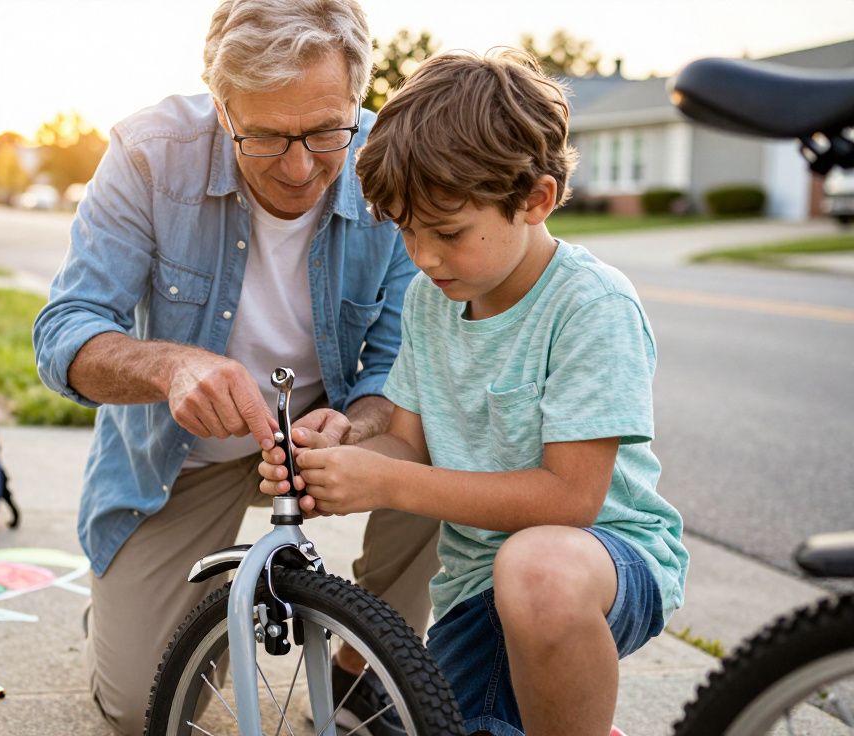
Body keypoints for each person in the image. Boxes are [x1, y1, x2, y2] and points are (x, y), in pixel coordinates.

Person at [32, 1, 442, 732]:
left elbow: (399, 363)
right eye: (265, 137)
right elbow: (64, 334)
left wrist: (360, 420)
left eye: (324, 132)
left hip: (330, 433)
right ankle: (151, 613)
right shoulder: (148, 152)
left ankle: (360, 676)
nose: (298, 166)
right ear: (223, 110)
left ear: (356, 96)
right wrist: (169, 368)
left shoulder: (392, 159)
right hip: (179, 457)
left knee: (443, 435)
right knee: (145, 708)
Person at [258, 49, 689, 735]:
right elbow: (407, 440)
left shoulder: (589, 305)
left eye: (449, 232)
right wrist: (345, 450)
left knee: (537, 571)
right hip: (473, 590)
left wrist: (388, 486)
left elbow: (569, 500)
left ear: (536, 199)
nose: (423, 257)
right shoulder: (434, 302)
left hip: (599, 561)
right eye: (405, 229)